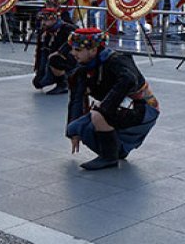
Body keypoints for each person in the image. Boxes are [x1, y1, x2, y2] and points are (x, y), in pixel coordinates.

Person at [65, 28, 160, 170]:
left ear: (93, 50)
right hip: (120, 107)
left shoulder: (116, 60)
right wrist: (72, 132)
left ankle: (109, 157)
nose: (73, 53)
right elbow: (76, 100)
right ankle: (117, 150)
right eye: (72, 49)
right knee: (75, 128)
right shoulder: (82, 69)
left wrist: (104, 109)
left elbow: (129, 79)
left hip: (143, 108)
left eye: (78, 50)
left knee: (98, 115)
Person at [33, 7, 77, 95]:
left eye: (45, 20)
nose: (43, 23)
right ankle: (53, 76)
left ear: (54, 20)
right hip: (49, 59)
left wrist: (60, 51)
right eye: (42, 20)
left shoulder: (67, 28)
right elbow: (41, 52)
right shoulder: (45, 32)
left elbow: (75, 39)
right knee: (38, 83)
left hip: (65, 58)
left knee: (55, 59)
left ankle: (63, 83)